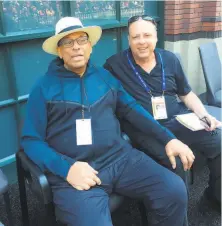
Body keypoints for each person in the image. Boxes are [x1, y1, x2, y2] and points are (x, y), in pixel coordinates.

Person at [21, 17, 194, 226]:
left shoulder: (105, 77)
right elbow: (31, 141)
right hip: (78, 173)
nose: (76, 47)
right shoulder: (43, 88)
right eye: (68, 42)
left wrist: (168, 139)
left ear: (90, 46)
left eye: (82, 40)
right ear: (59, 51)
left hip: (120, 159)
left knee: (174, 191)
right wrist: (66, 169)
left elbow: (132, 109)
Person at [104, 15, 221, 211]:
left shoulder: (169, 59)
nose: (141, 41)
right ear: (129, 39)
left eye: (147, 35)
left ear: (156, 36)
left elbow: (186, 93)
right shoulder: (114, 65)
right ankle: (176, 216)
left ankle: (215, 195)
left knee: (219, 139)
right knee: (176, 161)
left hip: (178, 120)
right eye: (135, 37)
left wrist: (203, 114)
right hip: (142, 129)